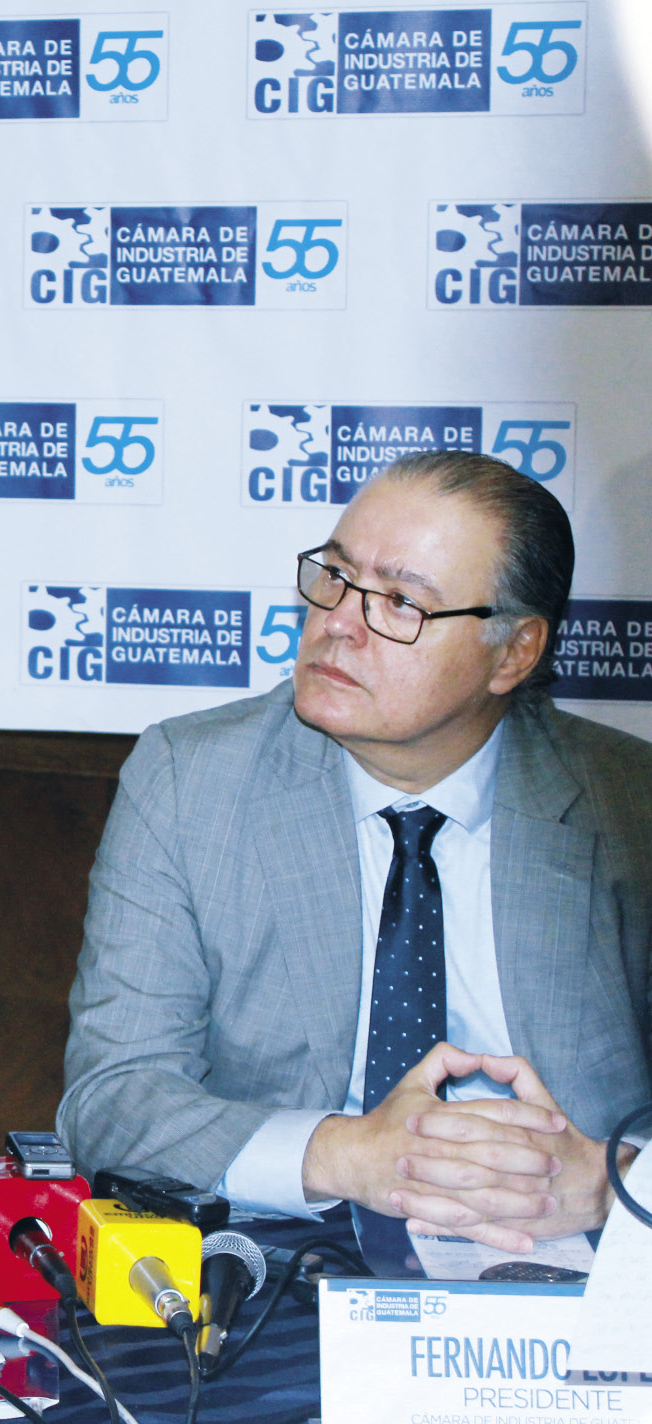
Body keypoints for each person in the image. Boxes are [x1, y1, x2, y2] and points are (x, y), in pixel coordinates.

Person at [60, 450, 651, 1254]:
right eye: (336, 577)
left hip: (574, 1265)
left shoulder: (629, 808)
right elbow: (113, 1097)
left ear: (514, 652)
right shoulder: (191, 780)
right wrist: (352, 1154)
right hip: (291, 1250)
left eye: (401, 602)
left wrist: (616, 1181)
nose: (339, 621)